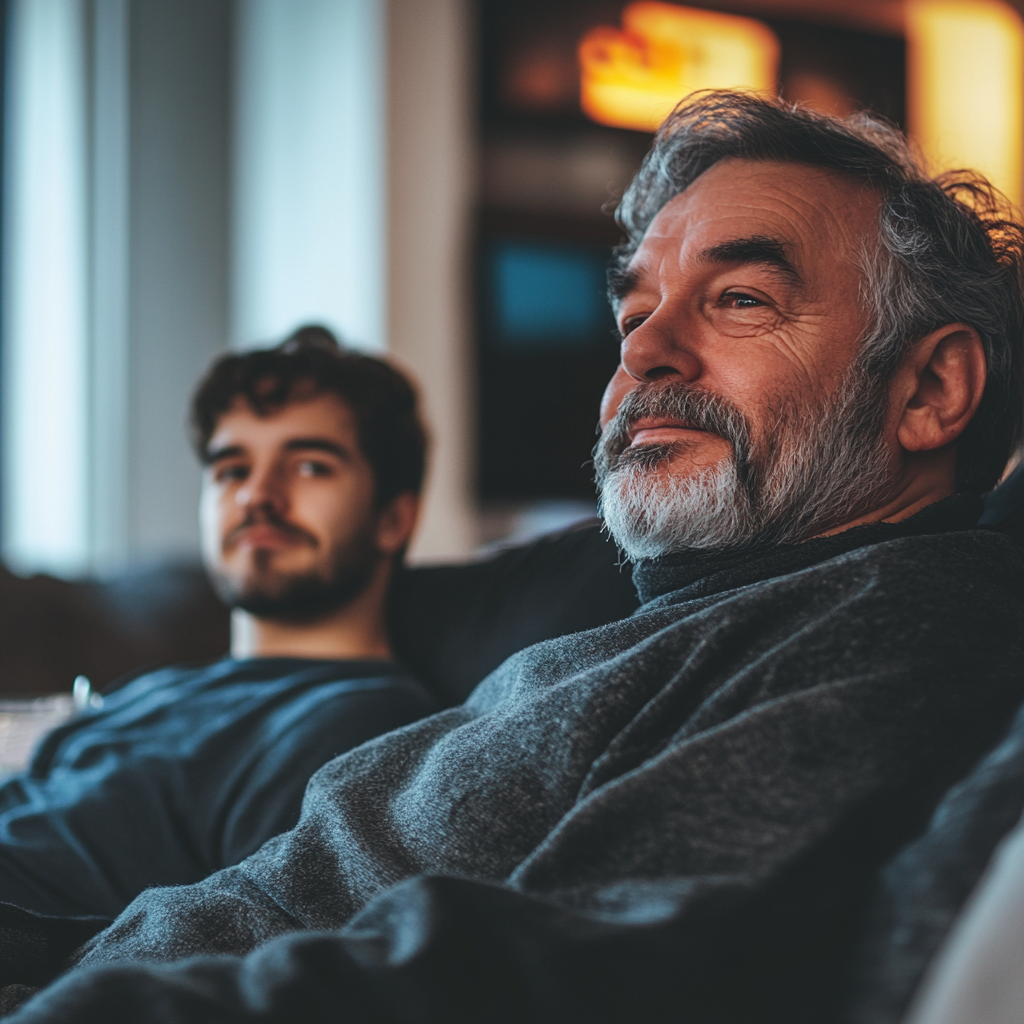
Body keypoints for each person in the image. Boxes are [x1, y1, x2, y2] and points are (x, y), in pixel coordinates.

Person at [6, 91, 1024, 1023]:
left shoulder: (891, 627)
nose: (642, 354)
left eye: (740, 299)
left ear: (930, 391)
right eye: (634, 312)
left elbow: (574, 971)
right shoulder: (654, 630)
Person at [0, 327, 438, 919]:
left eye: (309, 466)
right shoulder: (160, 686)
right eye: (232, 469)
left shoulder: (361, 722)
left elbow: (237, 941)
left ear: (393, 518)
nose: (257, 494)